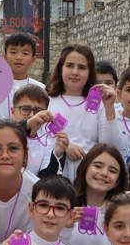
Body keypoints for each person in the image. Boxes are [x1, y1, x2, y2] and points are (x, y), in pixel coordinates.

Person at [46, 44, 110, 180]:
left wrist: (110, 108)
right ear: (61, 68)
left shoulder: (99, 103)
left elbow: (107, 143)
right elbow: (39, 139)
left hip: (88, 175)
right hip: (54, 175)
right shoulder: (48, 100)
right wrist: (65, 146)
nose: (75, 72)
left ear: (90, 72)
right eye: (69, 65)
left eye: (82, 67)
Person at [0, 33, 45, 148]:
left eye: (25, 53)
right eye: (13, 52)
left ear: (33, 59)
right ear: (5, 57)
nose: (19, 57)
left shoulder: (41, 89)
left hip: (31, 149)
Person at [64, 144, 128, 245]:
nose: (104, 173)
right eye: (98, 166)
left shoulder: (121, 214)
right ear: (85, 168)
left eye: (112, 171)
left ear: (118, 180)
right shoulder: (64, 205)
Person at [10, 84, 70, 176]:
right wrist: (29, 123)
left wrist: (57, 154)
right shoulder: (3, 132)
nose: (32, 115)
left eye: (38, 111)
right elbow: (9, 133)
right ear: (13, 112)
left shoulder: (47, 143)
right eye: (25, 109)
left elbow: (46, 179)